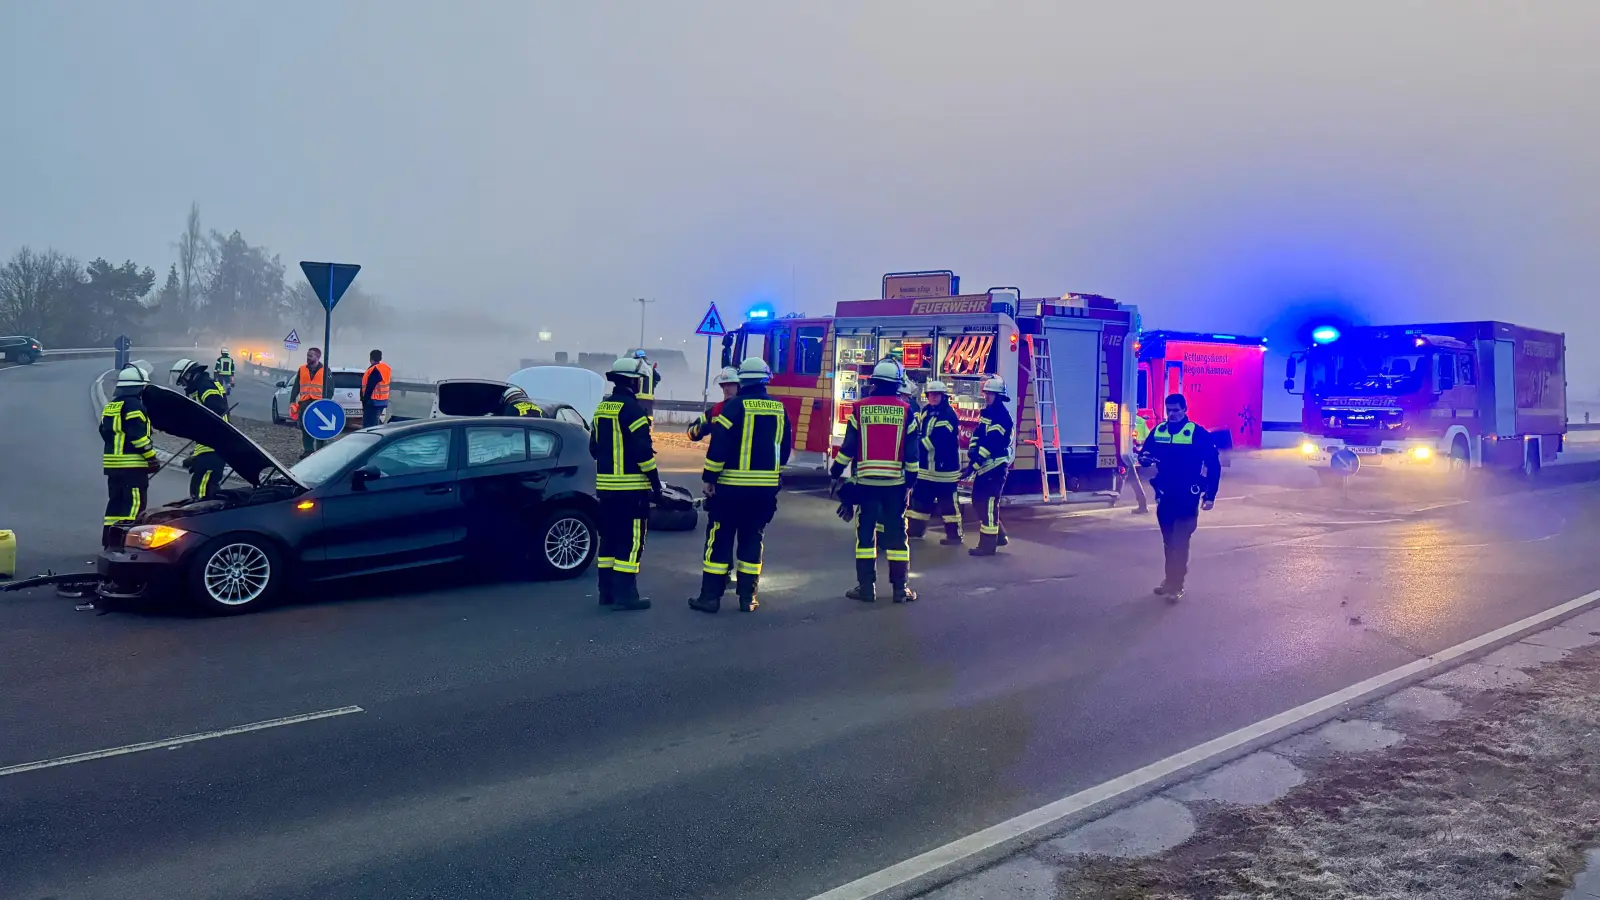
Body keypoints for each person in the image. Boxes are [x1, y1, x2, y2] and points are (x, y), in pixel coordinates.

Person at [691, 357, 791, 613]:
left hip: (731, 490)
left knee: (720, 540)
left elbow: (720, 444)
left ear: (742, 380)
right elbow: (785, 446)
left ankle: (710, 598)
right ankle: (748, 598)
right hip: (764, 492)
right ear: (766, 379)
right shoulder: (779, 409)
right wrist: (775, 473)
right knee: (752, 540)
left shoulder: (733, 407)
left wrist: (709, 478)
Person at [829, 358, 918, 603]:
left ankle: (866, 588)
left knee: (865, 536)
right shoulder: (907, 411)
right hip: (895, 486)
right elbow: (912, 454)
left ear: (875, 382)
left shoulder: (859, 409)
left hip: (866, 485)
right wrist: (910, 483)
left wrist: (836, 471)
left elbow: (848, 447)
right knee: (897, 536)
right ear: (897, 384)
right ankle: (900, 589)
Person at [590, 356, 661, 611]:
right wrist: (656, 485)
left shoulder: (601, 409)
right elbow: (643, 453)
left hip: (606, 490)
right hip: (631, 492)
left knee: (608, 540)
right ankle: (626, 596)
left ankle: (605, 593)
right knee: (631, 543)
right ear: (633, 381)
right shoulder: (633, 411)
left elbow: (594, 448)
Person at [1139, 393, 1221, 601]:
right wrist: (1145, 458)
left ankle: (1177, 585)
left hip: (1187, 494)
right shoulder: (1159, 431)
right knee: (1168, 541)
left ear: (1185, 410)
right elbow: (1145, 454)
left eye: (1176, 410)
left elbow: (1214, 465)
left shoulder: (1196, 433)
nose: (1172, 414)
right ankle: (1169, 580)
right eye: (1169, 410)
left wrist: (1210, 495)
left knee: (1180, 540)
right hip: (1165, 494)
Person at [100, 365, 161, 547]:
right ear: (140, 387)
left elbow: (104, 431)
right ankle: (125, 544)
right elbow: (138, 437)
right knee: (133, 507)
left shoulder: (111, 406)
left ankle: (109, 542)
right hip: (132, 467)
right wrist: (152, 457)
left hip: (113, 466)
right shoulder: (135, 406)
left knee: (115, 506)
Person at [906, 380, 963, 544]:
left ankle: (954, 535)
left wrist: (916, 448)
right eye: (930, 395)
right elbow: (919, 431)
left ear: (943, 396)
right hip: (926, 468)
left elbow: (939, 440)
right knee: (920, 500)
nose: (933, 397)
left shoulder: (948, 415)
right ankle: (916, 530)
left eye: (936, 395)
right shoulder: (926, 411)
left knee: (948, 504)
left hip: (944, 469)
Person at [965, 375, 1014, 557]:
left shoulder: (1002, 418)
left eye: (990, 394)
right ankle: (998, 536)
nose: (986, 397)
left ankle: (987, 546)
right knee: (978, 501)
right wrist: (972, 451)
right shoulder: (987, 413)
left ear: (999, 396)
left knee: (989, 505)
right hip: (985, 466)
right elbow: (978, 434)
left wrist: (975, 463)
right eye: (986, 393)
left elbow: (993, 443)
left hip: (995, 466)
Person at [170, 359, 230, 500]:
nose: (184, 385)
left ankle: (203, 518)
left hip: (216, 444)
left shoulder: (205, 386)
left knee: (202, 491)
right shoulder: (199, 388)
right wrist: (196, 456)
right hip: (210, 444)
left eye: (183, 381)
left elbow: (215, 411)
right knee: (201, 487)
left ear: (190, 375)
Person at [290, 347, 327, 459]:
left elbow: (330, 388)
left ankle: (320, 449)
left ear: (317, 357)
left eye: (310, 356)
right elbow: (297, 385)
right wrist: (292, 400)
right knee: (305, 426)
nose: (308, 358)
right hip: (305, 402)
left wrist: (326, 402)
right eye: (307, 355)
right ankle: (308, 450)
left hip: (318, 403)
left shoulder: (325, 371)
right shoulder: (302, 369)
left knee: (319, 427)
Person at [686, 367, 740, 441]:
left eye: (730, 384)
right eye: (724, 385)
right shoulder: (716, 409)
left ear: (739, 386)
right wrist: (701, 429)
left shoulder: (744, 409)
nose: (726, 389)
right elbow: (690, 432)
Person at [1123, 407, 1151, 514]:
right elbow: (1146, 438)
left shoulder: (1132, 421)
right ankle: (1142, 504)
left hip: (1126, 452)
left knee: (1131, 477)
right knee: (1130, 477)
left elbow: (1135, 439)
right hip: (1131, 452)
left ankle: (1142, 504)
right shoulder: (1140, 421)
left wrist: (1136, 443)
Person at [362, 349, 391, 428]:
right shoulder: (386, 368)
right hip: (382, 401)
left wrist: (364, 401)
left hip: (373, 401)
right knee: (375, 422)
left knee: (369, 425)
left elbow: (370, 387)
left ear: (370, 359)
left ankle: (369, 439)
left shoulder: (375, 370)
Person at [632, 349, 662, 417]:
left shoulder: (635, 368)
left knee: (637, 416)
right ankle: (649, 427)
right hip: (649, 398)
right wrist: (653, 384)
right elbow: (658, 378)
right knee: (648, 416)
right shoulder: (650, 368)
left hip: (637, 397)